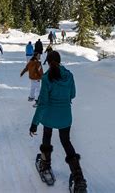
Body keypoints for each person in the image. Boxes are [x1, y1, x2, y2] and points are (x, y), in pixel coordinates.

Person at [29, 51, 87, 192]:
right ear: (60, 61)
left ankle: (45, 165)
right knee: (66, 142)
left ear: (48, 62)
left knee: (47, 137)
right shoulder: (69, 75)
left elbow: (42, 103)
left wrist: (34, 123)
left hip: (49, 116)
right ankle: (78, 178)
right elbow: (72, 94)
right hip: (65, 116)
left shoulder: (47, 77)